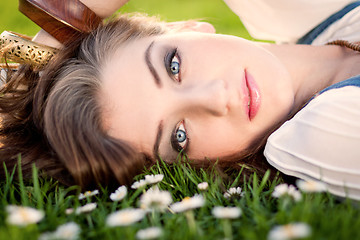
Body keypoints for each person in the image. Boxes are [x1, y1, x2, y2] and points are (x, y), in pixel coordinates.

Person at [0, 0, 359, 200]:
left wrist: (51, 32)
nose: (215, 98)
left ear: (185, 27)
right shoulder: (329, 134)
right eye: (179, 136)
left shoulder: (293, 8)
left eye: (173, 65)